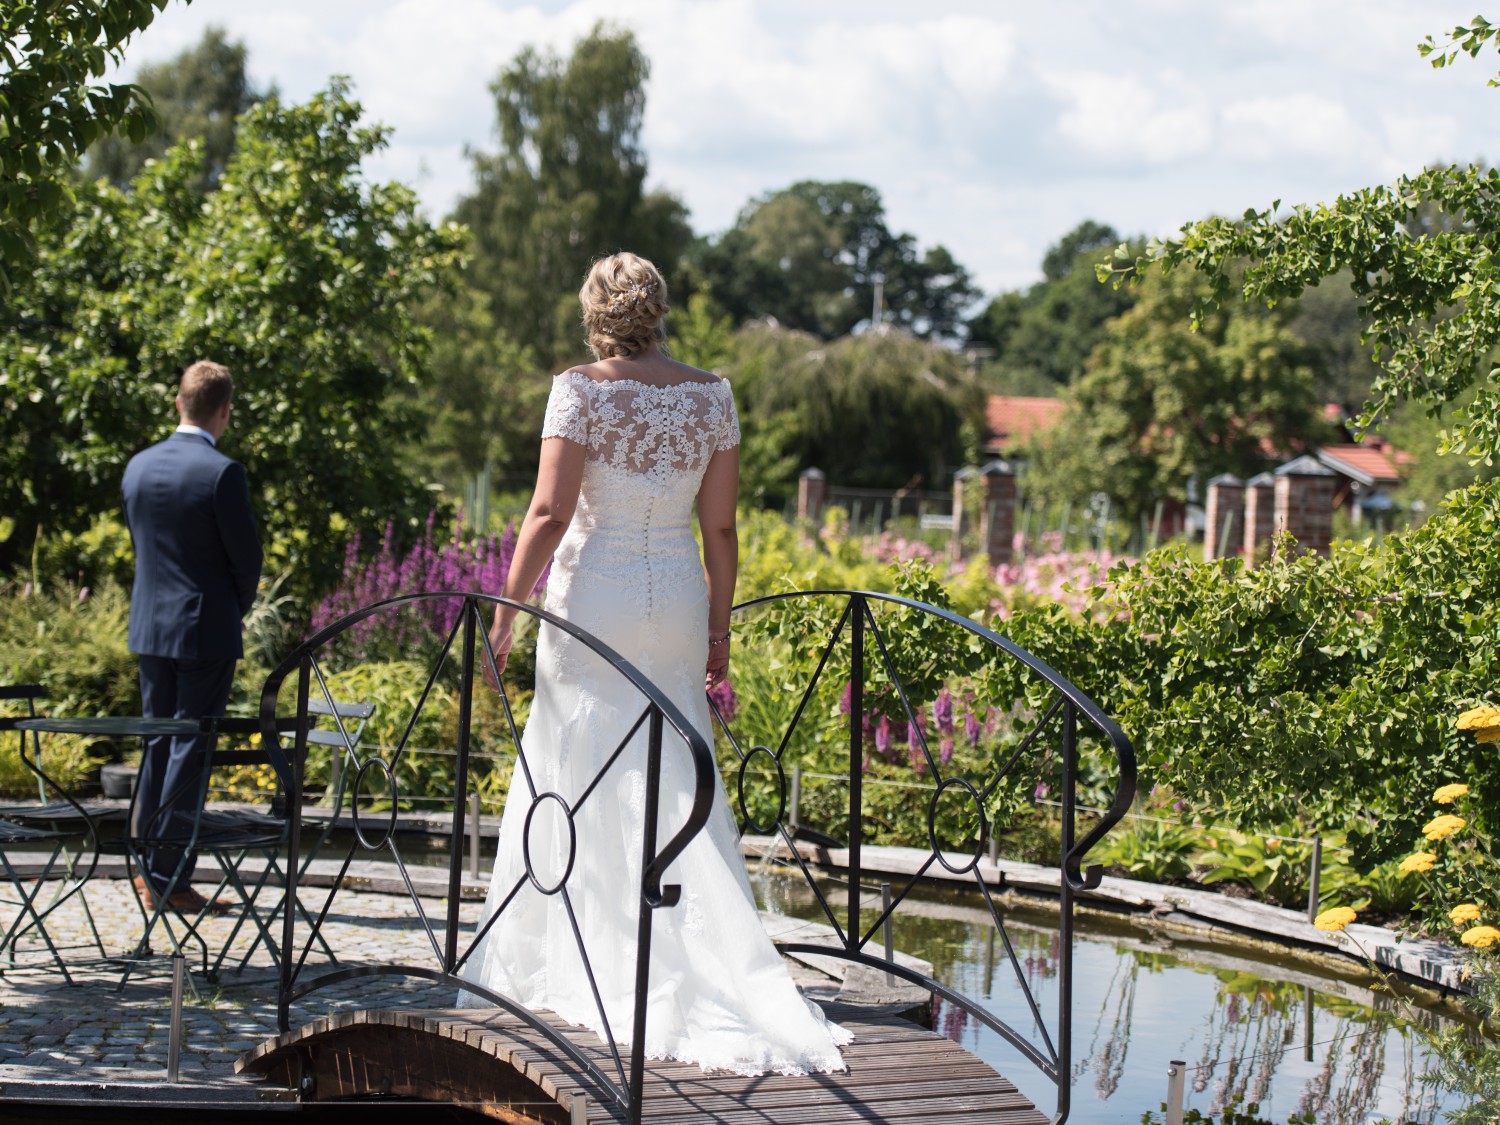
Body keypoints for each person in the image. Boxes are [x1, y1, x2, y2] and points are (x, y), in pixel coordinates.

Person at [458, 253, 850, 1075]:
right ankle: (681, 956)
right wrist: (718, 635)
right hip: (673, 593)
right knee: (672, 762)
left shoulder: (579, 388)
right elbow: (722, 531)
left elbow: (547, 510)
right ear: (660, 309)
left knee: (574, 758)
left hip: (592, 596)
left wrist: (505, 612)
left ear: (594, 312)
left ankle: (574, 956)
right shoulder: (713, 394)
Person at [122, 360, 263, 914]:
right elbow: (244, 560)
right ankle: (170, 877)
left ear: (178, 402)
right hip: (204, 627)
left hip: (148, 627)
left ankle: (145, 865)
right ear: (224, 410)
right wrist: (236, 609)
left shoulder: (137, 466)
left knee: (157, 740)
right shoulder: (222, 472)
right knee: (190, 747)